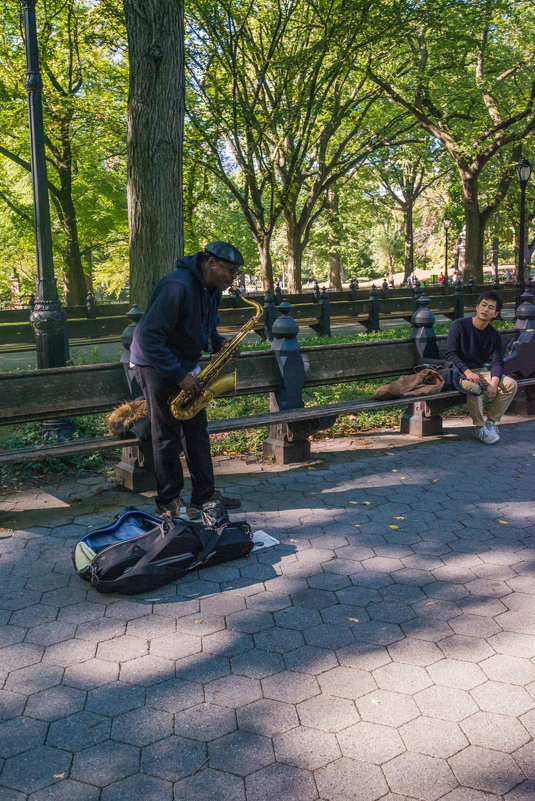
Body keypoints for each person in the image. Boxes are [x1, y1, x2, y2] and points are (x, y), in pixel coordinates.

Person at [129, 241, 244, 521]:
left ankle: (203, 497)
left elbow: (205, 327)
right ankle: (168, 501)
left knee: (197, 432)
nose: (233, 277)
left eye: (235, 273)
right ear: (211, 263)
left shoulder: (212, 290)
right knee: (167, 435)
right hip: (155, 363)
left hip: (183, 363)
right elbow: (149, 338)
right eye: (230, 271)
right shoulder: (176, 286)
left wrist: (219, 344)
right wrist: (180, 376)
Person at [445, 291, 517, 444]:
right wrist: (467, 372)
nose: (486, 310)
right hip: (459, 372)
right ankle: (479, 427)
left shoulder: (494, 335)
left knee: (511, 384)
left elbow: (498, 362)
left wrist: (494, 383)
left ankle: (490, 423)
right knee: (475, 388)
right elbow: (451, 354)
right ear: (477, 307)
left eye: (491, 308)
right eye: (483, 305)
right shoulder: (458, 325)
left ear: (496, 313)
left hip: (480, 372)